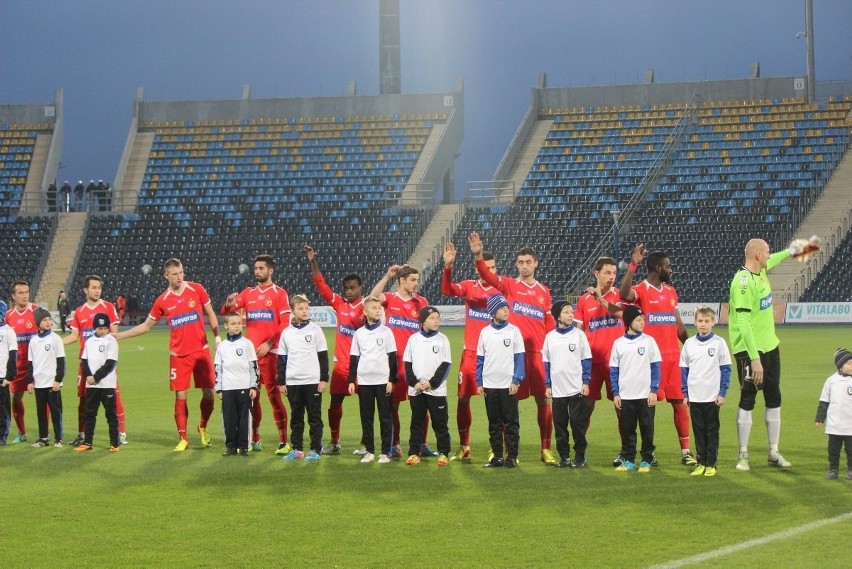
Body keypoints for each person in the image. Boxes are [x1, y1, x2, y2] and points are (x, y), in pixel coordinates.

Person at [728, 237, 817, 471]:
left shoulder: (762, 271)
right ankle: (743, 455)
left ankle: (773, 451)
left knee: (774, 398)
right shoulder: (743, 282)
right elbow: (744, 323)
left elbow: (775, 260)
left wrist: (791, 251)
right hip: (750, 351)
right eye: (767, 252)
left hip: (770, 346)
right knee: (748, 399)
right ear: (758, 255)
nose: (770, 255)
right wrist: (754, 358)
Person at [469, 231, 557, 464]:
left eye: (528, 262)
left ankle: (545, 448)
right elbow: (487, 275)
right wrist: (478, 255)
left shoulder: (543, 291)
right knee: (508, 404)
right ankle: (504, 450)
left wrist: (552, 348)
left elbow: (548, 322)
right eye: (520, 262)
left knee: (542, 400)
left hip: (537, 354)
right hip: (512, 356)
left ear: (536, 263)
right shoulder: (508, 285)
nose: (524, 266)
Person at [113, 258, 220, 451]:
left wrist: (218, 337)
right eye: (174, 274)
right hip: (179, 355)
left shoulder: (196, 289)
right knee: (181, 394)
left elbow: (210, 312)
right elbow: (146, 326)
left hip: (201, 349)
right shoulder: (162, 300)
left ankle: (202, 426)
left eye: (181, 273)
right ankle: (183, 438)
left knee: (209, 393)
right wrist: (119, 336)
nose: (179, 277)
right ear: (166, 276)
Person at [619, 244, 693, 467]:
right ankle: (647, 454)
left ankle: (686, 451)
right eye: (667, 266)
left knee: (680, 403)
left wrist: (690, 347)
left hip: (674, 357)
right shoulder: (641, 289)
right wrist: (633, 265)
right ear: (657, 268)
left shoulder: (671, 291)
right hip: (652, 360)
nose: (671, 269)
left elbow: (677, 324)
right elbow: (623, 294)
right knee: (649, 408)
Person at [221, 254, 291, 454]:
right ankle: (255, 439)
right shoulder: (248, 293)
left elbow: (284, 323)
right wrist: (228, 303)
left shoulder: (279, 294)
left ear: (270, 271)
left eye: (261, 268)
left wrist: (270, 343)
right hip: (250, 357)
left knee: (274, 397)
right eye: (256, 268)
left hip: (270, 354)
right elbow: (227, 310)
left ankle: (283, 441)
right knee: (252, 398)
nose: (257, 271)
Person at [440, 241, 499, 461]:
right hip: (471, 352)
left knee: (495, 400)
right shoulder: (469, 286)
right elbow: (447, 290)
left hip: (495, 354)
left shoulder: (501, 288)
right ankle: (465, 446)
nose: (491, 271)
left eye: (494, 268)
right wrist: (448, 267)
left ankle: (496, 447)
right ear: (478, 267)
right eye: (487, 267)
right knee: (463, 398)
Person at [304, 244, 365, 455]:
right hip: (341, 365)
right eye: (346, 288)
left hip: (363, 365)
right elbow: (322, 286)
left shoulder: (367, 307)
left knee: (366, 405)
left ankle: (366, 443)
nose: (349, 291)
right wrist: (313, 263)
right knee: (334, 404)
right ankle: (335, 441)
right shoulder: (340, 304)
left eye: (352, 288)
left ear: (360, 288)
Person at [369, 263, 434, 458]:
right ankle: (395, 445)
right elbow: (372, 297)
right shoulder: (389, 299)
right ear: (402, 281)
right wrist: (386, 277)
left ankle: (422, 444)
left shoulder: (421, 302)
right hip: (395, 361)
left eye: (417, 280)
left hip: (416, 362)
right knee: (392, 406)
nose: (416, 284)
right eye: (412, 280)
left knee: (422, 405)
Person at [63, 275, 127, 446]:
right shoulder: (79, 311)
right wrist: (56, 342)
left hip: (105, 364)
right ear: (85, 290)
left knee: (114, 398)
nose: (97, 290)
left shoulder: (108, 307)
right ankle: (82, 435)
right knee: (83, 400)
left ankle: (121, 434)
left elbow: (113, 333)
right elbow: (74, 336)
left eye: (99, 287)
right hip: (85, 364)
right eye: (93, 287)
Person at [574, 257, 625, 442]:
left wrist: (600, 298)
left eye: (613, 273)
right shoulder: (583, 300)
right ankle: (580, 449)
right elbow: (578, 333)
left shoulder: (620, 296)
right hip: (592, 363)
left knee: (622, 409)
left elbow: (618, 312)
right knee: (585, 408)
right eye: (607, 273)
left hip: (617, 363)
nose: (611, 277)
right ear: (597, 273)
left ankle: (625, 451)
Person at [679, 306, 732, 477]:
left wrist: (722, 392)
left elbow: (726, 369)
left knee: (711, 430)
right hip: (695, 396)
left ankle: (712, 463)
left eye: (706, 321)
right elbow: (684, 370)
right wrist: (685, 393)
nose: (703, 325)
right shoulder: (689, 344)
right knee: (698, 429)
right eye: (700, 321)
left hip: (712, 396)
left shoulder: (719, 343)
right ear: (695, 322)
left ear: (713, 323)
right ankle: (701, 462)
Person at [277, 295, 329, 462]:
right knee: (296, 417)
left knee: (314, 417)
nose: (305, 311)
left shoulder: (315, 330)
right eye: (301, 308)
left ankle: (315, 449)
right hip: (293, 382)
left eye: (307, 308)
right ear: (293, 311)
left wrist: (323, 379)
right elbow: (282, 359)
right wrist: (281, 382)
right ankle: (297, 449)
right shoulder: (286, 333)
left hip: (312, 381)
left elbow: (323, 356)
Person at [610, 305, 661, 474]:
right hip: (626, 395)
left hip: (645, 395)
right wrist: (616, 393)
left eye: (643, 320)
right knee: (627, 430)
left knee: (647, 428)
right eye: (638, 320)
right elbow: (614, 371)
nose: (642, 323)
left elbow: (655, 368)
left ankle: (646, 459)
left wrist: (654, 390)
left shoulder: (649, 341)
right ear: (629, 322)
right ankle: (630, 460)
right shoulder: (618, 344)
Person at [477, 294, 525, 469]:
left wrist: (516, 380)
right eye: (501, 308)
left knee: (511, 423)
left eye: (507, 307)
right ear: (492, 311)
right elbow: (480, 359)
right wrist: (479, 381)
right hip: (490, 385)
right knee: (494, 423)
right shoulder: (485, 332)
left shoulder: (514, 331)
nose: (506, 310)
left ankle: (511, 456)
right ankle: (497, 456)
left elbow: (519, 358)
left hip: (508, 385)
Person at [348, 296, 397, 464]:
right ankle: (369, 451)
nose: (378, 310)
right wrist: (351, 380)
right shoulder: (359, 334)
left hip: (383, 381)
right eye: (374, 307)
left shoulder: (386, 332)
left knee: (385, 417)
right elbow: (354, 358)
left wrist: (392, 380)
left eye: (379, 307)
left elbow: (392, 358)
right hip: (364, 381)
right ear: (365, 311)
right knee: (366, 417)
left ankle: (386, 452)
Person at [543, 300, 592, 468]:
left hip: (576, 388)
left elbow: (586, 360)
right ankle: (564, 457)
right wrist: (548, 385)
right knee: (560, 426)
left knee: (578, 425)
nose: (571, 315)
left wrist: (586, 382)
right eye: (566, 312)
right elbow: (547, 363)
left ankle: (580, 456)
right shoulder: (550, 337)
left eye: (572, 312)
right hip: (558, 390)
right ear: (557, 316)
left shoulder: (579, 335)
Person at [403, 306, 452, 467]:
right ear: (423, 321)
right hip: (417, 390)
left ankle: (444, 453)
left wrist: (432, 383)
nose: (436, 320)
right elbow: (407, 365)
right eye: (432, 318)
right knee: (416, 423)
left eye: (437, 317)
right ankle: (413, 453)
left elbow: (445, 366)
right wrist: (415, 383)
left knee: (440, 423)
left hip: (436, 390)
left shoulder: (443, 339)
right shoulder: (413, 339)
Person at [74, 313, 121, 452]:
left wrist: (96, 377)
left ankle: (114, 443)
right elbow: (84, 361)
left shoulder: (111, 341)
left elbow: (111, 363)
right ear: (95, 328)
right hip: (91, 385)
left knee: (111, 415)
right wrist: (88, 376)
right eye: (99, 328)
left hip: (107, 384)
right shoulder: (89, 342)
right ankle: (88, 442)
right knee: (90, 414)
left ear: (108, 328)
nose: (102, 331)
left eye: (105, 328)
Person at [214, 313, 259, 457]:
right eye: (233, 324)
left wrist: (253, 386)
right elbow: (218, 369)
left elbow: (254, 366)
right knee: (229, 419)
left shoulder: (247, 343)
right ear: (226, 326)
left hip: (244, 387)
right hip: (227, 388)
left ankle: (243, 447)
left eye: (239, 323)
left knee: (244, 418)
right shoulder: (222, 346)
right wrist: (219, 389)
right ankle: (231, 447)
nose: (237, 326)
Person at [26, 307, 66, 448]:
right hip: (38, 383)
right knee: (41, 413)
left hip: (52, 383)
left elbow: (61, 362)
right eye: (45, 320)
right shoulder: (33, 341)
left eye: (49, 319)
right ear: (38, 322)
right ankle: (43, 438)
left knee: (56, 412)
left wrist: (58, 380)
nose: (48, 322)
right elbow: (30, 363)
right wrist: (30, 381)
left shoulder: (56, 339)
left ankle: (58, 439)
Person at [5, 281, 39, 444]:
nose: (25, 295)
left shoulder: (37, 311)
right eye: (21, 293)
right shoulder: (8, 316)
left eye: (26, 292)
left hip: (37, 365)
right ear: (13, 296)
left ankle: (44, 434)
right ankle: (22, 432)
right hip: (18, 367)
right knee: (16, 399)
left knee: (43, 398)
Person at [815, 348, 852, 480]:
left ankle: (850, 470)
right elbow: (824, 401)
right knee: (833, 450)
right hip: (834, 425)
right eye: (849, 363)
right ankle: (833, 469)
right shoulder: (831, 381)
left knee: (851, 450)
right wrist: (820, 418)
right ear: (840, 365)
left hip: (850, 425)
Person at [0, 300, 18, 445]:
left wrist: (9, 376)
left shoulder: (8, 331)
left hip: (2, 377)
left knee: (3, 409)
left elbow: (13, 355)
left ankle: (2, 436)